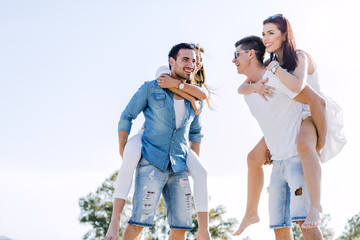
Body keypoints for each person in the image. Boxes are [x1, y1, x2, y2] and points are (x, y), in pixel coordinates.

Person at [234, 14, 346, 235]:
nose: (266, 37)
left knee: (305, 145)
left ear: (285, 35)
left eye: (271, 33)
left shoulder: (299, 57)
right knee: (253, 157)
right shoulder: (271, 65)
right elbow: (242, 87)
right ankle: (250, 212)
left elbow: (298, 87)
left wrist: (320, 140)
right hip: (293, 112)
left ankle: (315, 205)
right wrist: (253, 87)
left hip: (312, 113)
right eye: (264, 33)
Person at [108, 43, 210, 240]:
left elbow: (195, 133)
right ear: (172, 62)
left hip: (179, 166)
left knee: (180, 227)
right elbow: (126, 116)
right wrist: (123, 149)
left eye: (194, 61)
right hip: (152, 161)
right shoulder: (151, 88)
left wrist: (191, 163)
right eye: (185, 59)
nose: (191, 64)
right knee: (138, 223)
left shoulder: (196, 99)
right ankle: (115, 222)